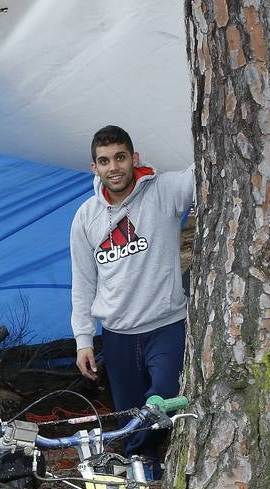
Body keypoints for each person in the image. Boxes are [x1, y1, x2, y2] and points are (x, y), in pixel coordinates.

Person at [70, 124, 194, 469]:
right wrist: (83, 339)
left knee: (166, 398)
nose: (114, 167)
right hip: (118, 335)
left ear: (134, 158)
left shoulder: (164, 191)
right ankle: (144, 474)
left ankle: (156, 458)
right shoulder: (85, 217)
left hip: (166, 326)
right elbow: (82, 283)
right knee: (130, 419)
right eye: (105, 160)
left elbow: (204, 171)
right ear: (95, 167)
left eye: (121, 157)